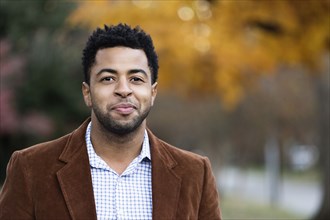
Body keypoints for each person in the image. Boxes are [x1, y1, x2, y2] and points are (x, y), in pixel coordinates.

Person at [0, 23, 221, 220]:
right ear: (87, 93)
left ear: (153, 92)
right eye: (108, 78)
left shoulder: (195, 174)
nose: (123, 90)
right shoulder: (31, 169)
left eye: (136, 79)